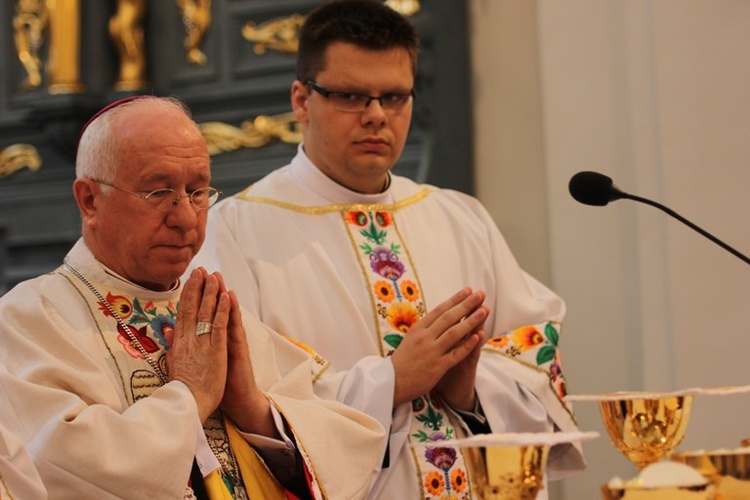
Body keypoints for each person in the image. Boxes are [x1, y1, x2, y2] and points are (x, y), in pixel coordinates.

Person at [193, 0, 587, 498]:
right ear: (300, 99)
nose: (377, 116)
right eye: (352, 96)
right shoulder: (235, 234)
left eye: (395, 97)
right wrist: (392, 381)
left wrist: (469, 389)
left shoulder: (462, 218)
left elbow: (535, 359)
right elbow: (242, 407)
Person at [0, 95, 387, 499]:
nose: (185, 218)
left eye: (198, 191)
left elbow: (346, 447)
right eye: (158, 192)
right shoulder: (29, 322)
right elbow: (64, 468)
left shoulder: (213, 313)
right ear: (90, 200)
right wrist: (190, 397)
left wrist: (253, 409)